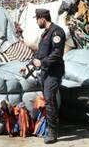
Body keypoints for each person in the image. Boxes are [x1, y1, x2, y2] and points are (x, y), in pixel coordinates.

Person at [31, 8, 66, 144]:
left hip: (54, 72)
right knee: (48, 99)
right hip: (45, 72)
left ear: (42, 19)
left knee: (49, 100)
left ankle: (52, 132)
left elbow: (57, 54)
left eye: (37, 19)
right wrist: (30, 64)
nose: (36, 22)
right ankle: (53, 126)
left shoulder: (57, 32)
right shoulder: (45, 34)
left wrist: (42, 62)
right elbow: (40, 53)